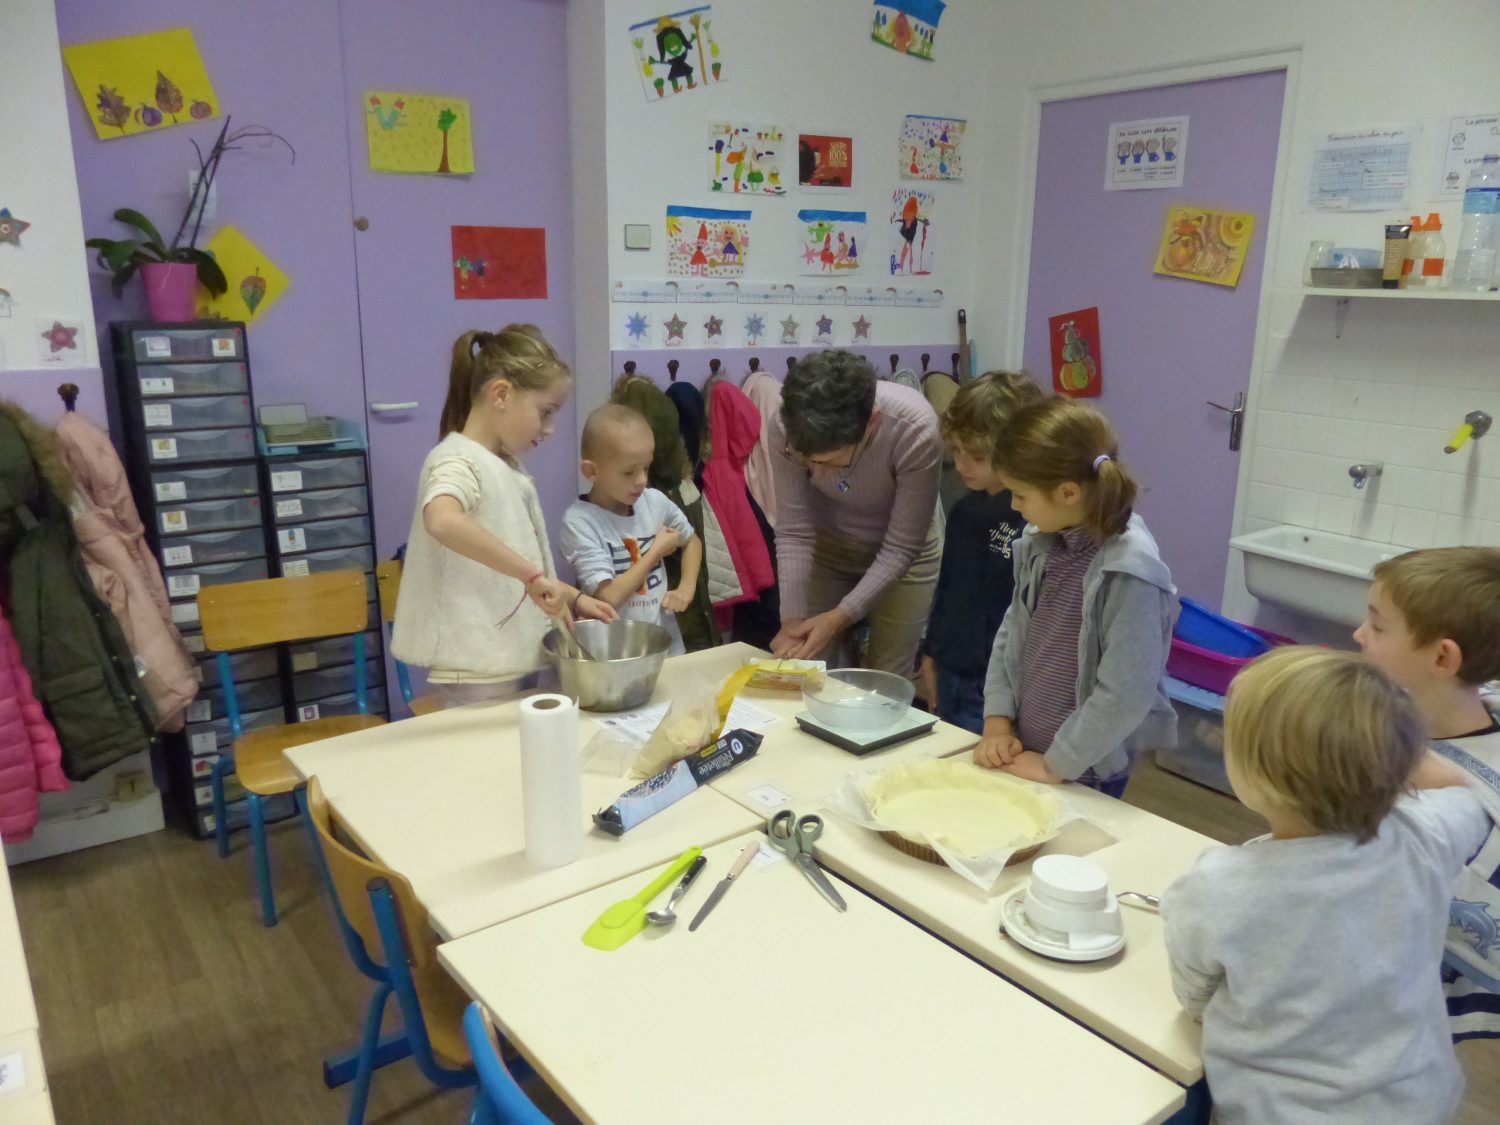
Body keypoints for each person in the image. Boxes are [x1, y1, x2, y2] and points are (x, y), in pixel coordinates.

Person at [1161, 646, 1488, 1125]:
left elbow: (1194, 997)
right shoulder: (1424, 835)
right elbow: (1467, 796)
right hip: (1416, 1100)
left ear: (1258, 776)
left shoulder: (1217, 887)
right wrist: (1389, 756)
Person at [391, 326, 615, 707]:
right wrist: (531, 576)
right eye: (545, 412)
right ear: (501, 394)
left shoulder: (500, 464)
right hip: (479, 668)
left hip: (506, 662)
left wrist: (571, 596)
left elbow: (511, 559)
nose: (550, 429)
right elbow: (442, 520)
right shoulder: (457, 459)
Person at [974, 397, 1175, 794]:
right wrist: (997, 719)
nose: (1013, 505)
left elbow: (1126, 692)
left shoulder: (1130, 570)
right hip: (1028, 750)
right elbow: (1012, 633)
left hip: (1084, 770)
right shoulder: (1043, 542)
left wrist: (1058, 764)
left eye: (1020, 495)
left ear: (1067, 493)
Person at [1354, 546, 1500, 1039]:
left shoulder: (1449, 793)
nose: (1359, 634)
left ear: (1442, 657)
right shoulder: (1461, 715)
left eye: (1377, 626)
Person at [768, 350, 942, 677]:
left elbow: (901, 547)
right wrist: (792, 622)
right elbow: (793, 531)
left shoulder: (914, 429)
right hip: (825, 549)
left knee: (885, 679)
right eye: (807, 462)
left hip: (905, 557)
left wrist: (839, 618)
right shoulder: (784, 425)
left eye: (831, 461)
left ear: (872, 423)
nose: (818, 474)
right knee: (810, 670)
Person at [920, 372, 1043, 732]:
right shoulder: (963, 511)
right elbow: (948, 588)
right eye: (956, 450)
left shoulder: (1035, 522)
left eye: (976, 456)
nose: (960, 465)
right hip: (951, 670)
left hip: (1000, 685)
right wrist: (931, 650)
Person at [559, 405, 699, 655]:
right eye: (628, 472)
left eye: (646, 468)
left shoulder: (654, 501)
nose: (641, 480)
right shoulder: (579, 521)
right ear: (592, 471)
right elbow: (609, 597)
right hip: (613, 653)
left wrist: (686, 588)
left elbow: (691, 540)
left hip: (666, 645)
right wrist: (655, 552)